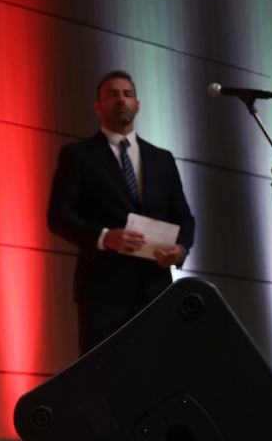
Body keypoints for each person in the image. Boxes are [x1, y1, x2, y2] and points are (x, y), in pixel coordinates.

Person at [46, 70, 196, 356]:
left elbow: (184, 217)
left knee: (158, 375)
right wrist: (104, 237)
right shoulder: (78, 156)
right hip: (103, 293)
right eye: (111, 94)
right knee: (106, 381)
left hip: (155, 290)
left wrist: (181, 249)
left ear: (137, 105)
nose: (121, 100)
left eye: (127, 94)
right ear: (97, 106)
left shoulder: (162, 159)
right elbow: (58, 216)